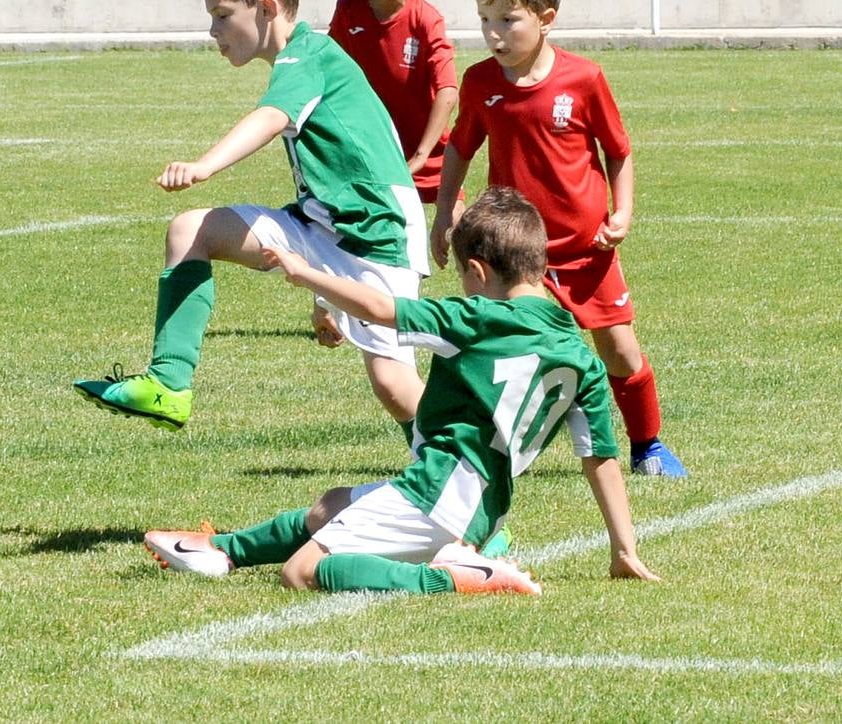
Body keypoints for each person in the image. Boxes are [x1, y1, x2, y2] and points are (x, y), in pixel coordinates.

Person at [143, 187, 660, 595]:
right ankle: (223, 549)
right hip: (484, 504)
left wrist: (308, 275)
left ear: (476, 272)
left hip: (436, 495)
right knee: (331, 506)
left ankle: (458, 576)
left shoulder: (476, 318)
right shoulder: (580, 355)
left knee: (302, 572)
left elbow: (381, 308)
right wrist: (624, 549)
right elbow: (602, 459)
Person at [73, 0, 428, 434]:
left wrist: (205, 166)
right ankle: (169, 383)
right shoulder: (298, 60)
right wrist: (325, 296)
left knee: (393, 383)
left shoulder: (309, 56)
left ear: (265, 7)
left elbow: (271, 117)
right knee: (191, 230)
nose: (213, 29)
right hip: (326, 227)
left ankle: (466, 459)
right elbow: (332, 181)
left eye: (221, 15)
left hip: (380, 236)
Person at [430, 0, 686, 478]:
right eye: (485, 20)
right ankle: (483, 449)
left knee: (619, 353)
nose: (493, 33)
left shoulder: (584, 79)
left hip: (587, 248)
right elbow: (459, 149)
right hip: (516, 253)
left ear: (546, 19)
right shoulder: (481, 83)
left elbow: (617, 150)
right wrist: (445, 212)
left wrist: (624, 212)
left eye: (507, 19)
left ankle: (649, 447)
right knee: (506, 349)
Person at [328, 0, 459, 205]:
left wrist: (423, 155)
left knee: (453, 227)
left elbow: (448, 91)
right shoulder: (347, 12)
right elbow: (330, 74)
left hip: (426, 153)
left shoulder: (426, 19)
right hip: (370, 148)